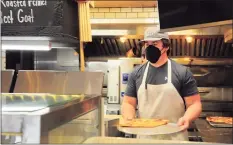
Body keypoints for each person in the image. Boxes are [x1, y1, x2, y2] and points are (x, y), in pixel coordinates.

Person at [121, 29, 202, 141]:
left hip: (175, 138)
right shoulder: (136, 73)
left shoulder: (182, 72)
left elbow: (195, 104)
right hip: (145, 139)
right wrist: (129, 118)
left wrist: (187, 118)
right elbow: (128, 103)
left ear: (166, 46)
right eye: (147, 44)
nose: (149, 48)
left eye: (154, 44)